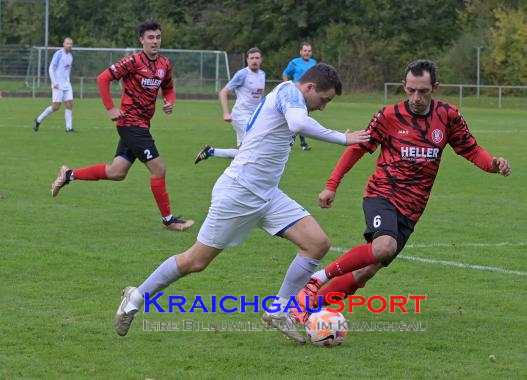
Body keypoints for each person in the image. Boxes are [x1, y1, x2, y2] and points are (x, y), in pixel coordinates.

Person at [113, 63, 370, 344]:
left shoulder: (290, 100)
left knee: (317, 243)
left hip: (267, 194)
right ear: (309, 87)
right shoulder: (289, 93)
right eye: (324, 99)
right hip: (239, 192)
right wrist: (342, 138)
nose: (323, 107)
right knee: (195, 261)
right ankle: (134, 298)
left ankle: (279, 311)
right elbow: (298, 124)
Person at [295, 59, 512, 319]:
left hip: (413, 208)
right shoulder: (388, 116)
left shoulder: (448, 116)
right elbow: (357, 149)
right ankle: (316, 279)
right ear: (403, 86)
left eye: (423, 91)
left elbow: (470, 149)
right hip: (382, 193)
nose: (416, 97)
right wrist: (332, 186)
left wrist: (493, 164)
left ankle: (307, 307)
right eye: (411, 90)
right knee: (383, 247)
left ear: (435, 87)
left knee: (369, 269)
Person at [50, 19, 194, 232]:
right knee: (159, 169)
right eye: (150, 37)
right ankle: (168, 220)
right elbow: (102, 79)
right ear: (142, 40)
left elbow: (169, 88)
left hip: (142, 125)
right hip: (130, 124)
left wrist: (169, 102)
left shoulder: (164, 64)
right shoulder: (133, 62)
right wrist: (110, 108)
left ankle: (69, 175)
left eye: (158, 37)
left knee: (117, 172)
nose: (155, 41)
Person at [194, 47, 265, 164]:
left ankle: (210, 151)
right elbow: (223, 92)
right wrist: (226, 113)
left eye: (257, 58)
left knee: (244, 152)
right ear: (247, 60)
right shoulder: (242, 74)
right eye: (251, 58)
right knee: (257, 147)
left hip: (253, 117)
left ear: (261, 60)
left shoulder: (262, 74)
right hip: (241, 116)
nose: (254, 60)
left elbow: (259, 97)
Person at [34, 37, 75, 133]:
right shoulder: (59, 54)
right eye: (68, 43)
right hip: (58, 84)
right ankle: (38, 119)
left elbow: (67, 72)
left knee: (69, 104)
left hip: (67, 85)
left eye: (71, 44)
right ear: (64, 44)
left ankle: (69, 128)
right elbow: (51, 68)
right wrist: (54, 82)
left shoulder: (70, 56)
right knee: (56, 107)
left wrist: (68, 82)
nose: (69, 45)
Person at [283, 42, 317, 151]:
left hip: (308, 95)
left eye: (309, 51)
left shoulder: (314, 63)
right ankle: (301, 143)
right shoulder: (294, 62)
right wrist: (288, 85)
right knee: (297, 118)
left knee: (303, 117)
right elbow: (285, 74)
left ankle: (300, 142)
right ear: (301, 52)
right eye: (305, 51)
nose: (307, 53)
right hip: (296, 94)